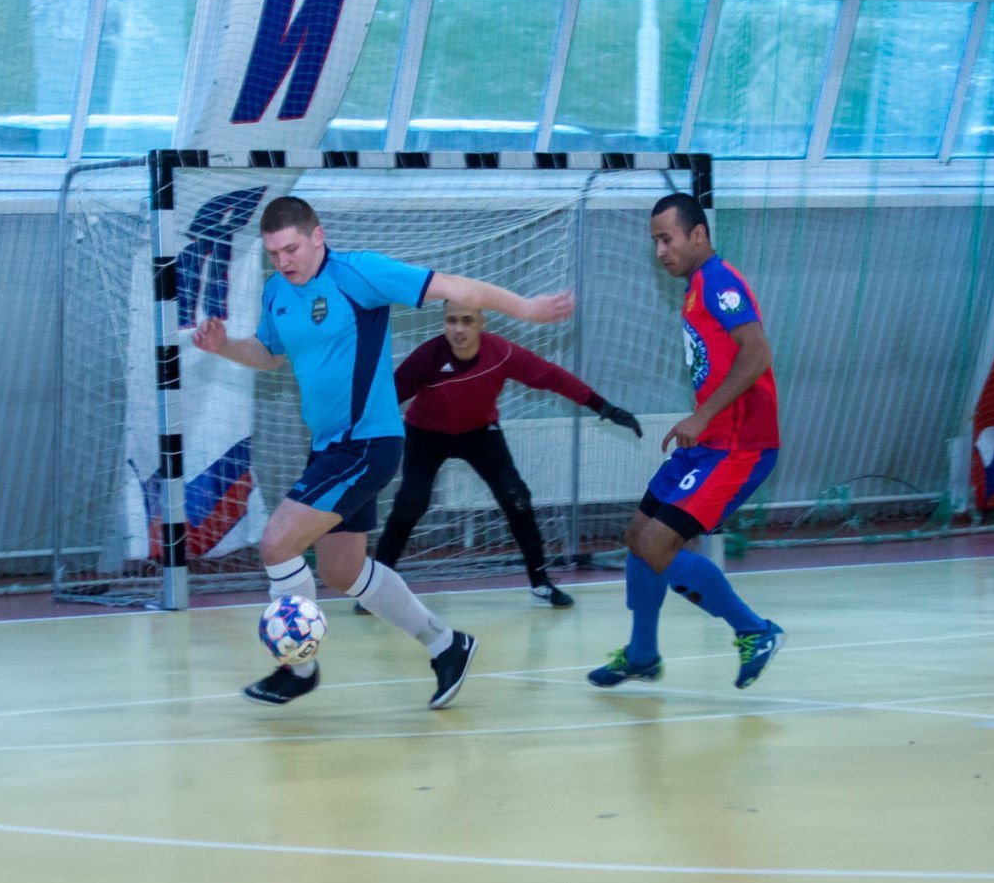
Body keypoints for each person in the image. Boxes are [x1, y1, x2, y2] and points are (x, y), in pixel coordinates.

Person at [192, 195, 574, 708]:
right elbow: (269, 354)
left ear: (317, 237)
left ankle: (297, 668)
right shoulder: (277, 291)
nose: (283, 262)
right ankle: (447, 645)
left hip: (366, 443)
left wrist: (527, 308)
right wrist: (224, 345)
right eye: (273, 253)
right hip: (328, 447)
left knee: (277, 543)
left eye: (291, 249)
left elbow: (455, 287)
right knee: (341, 571)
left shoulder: (358, 274)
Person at [587, 192, 784, 692]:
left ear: (698, 234)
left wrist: (702, 415)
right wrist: (703, 422)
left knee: (659, 543)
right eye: (655, 241)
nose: (660, 251)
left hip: (740, 446)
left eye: (666, 239)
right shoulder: (696, 287)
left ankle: (754, 631)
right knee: (639, 534)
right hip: (709, 443)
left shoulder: (719, 282)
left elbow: (757, 353)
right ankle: (642, 654)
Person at [366, 301, 643, 610]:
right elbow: (386, 399)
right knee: (410, 505)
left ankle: (541, 584)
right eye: (451, 321)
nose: (459, 329)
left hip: (480, 433)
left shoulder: (501, 353)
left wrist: (604, 407)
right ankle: (377, 590)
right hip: (426, 435)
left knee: (517, 500)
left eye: (467, 320)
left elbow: (552, 376)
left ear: (481, 322)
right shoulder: (428, 356)